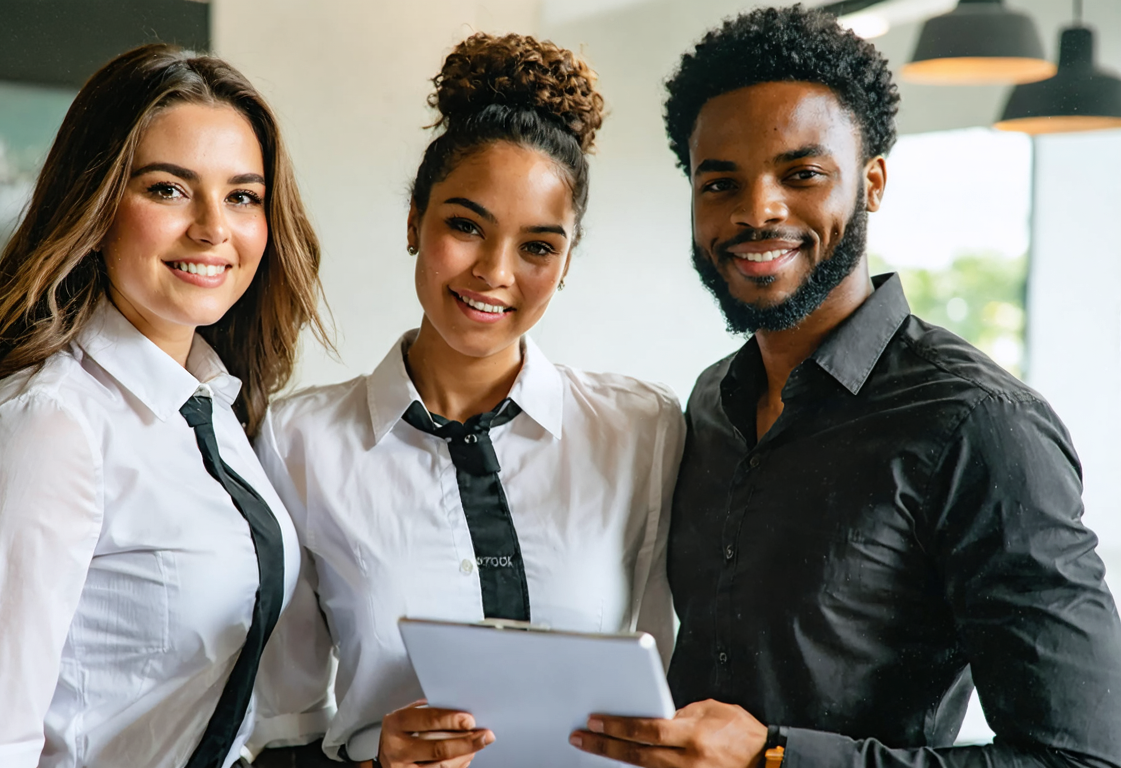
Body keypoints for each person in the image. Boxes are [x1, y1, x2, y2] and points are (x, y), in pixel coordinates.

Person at [568, 6, 1121, 768]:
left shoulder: (978, 425)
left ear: (873, 182)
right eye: (720, 182)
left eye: (802, 174)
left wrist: (774, 758)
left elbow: (1082, 759)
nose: (757, 210)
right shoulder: (708, 405)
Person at [0, 43, 329, 768]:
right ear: (95, 206)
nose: (214, 227)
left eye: (243, 195)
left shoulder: (211, 407)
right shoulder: (41, 427)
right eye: (168, 189)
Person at [246, 32, 683, 768]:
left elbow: (669, 674)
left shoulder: (644, 428)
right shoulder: (297, 443)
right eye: (465, 226)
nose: (494, 272)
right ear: (415, 219)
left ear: (567, 261)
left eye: (538, 247)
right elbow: (283, 725)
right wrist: (374, 760)